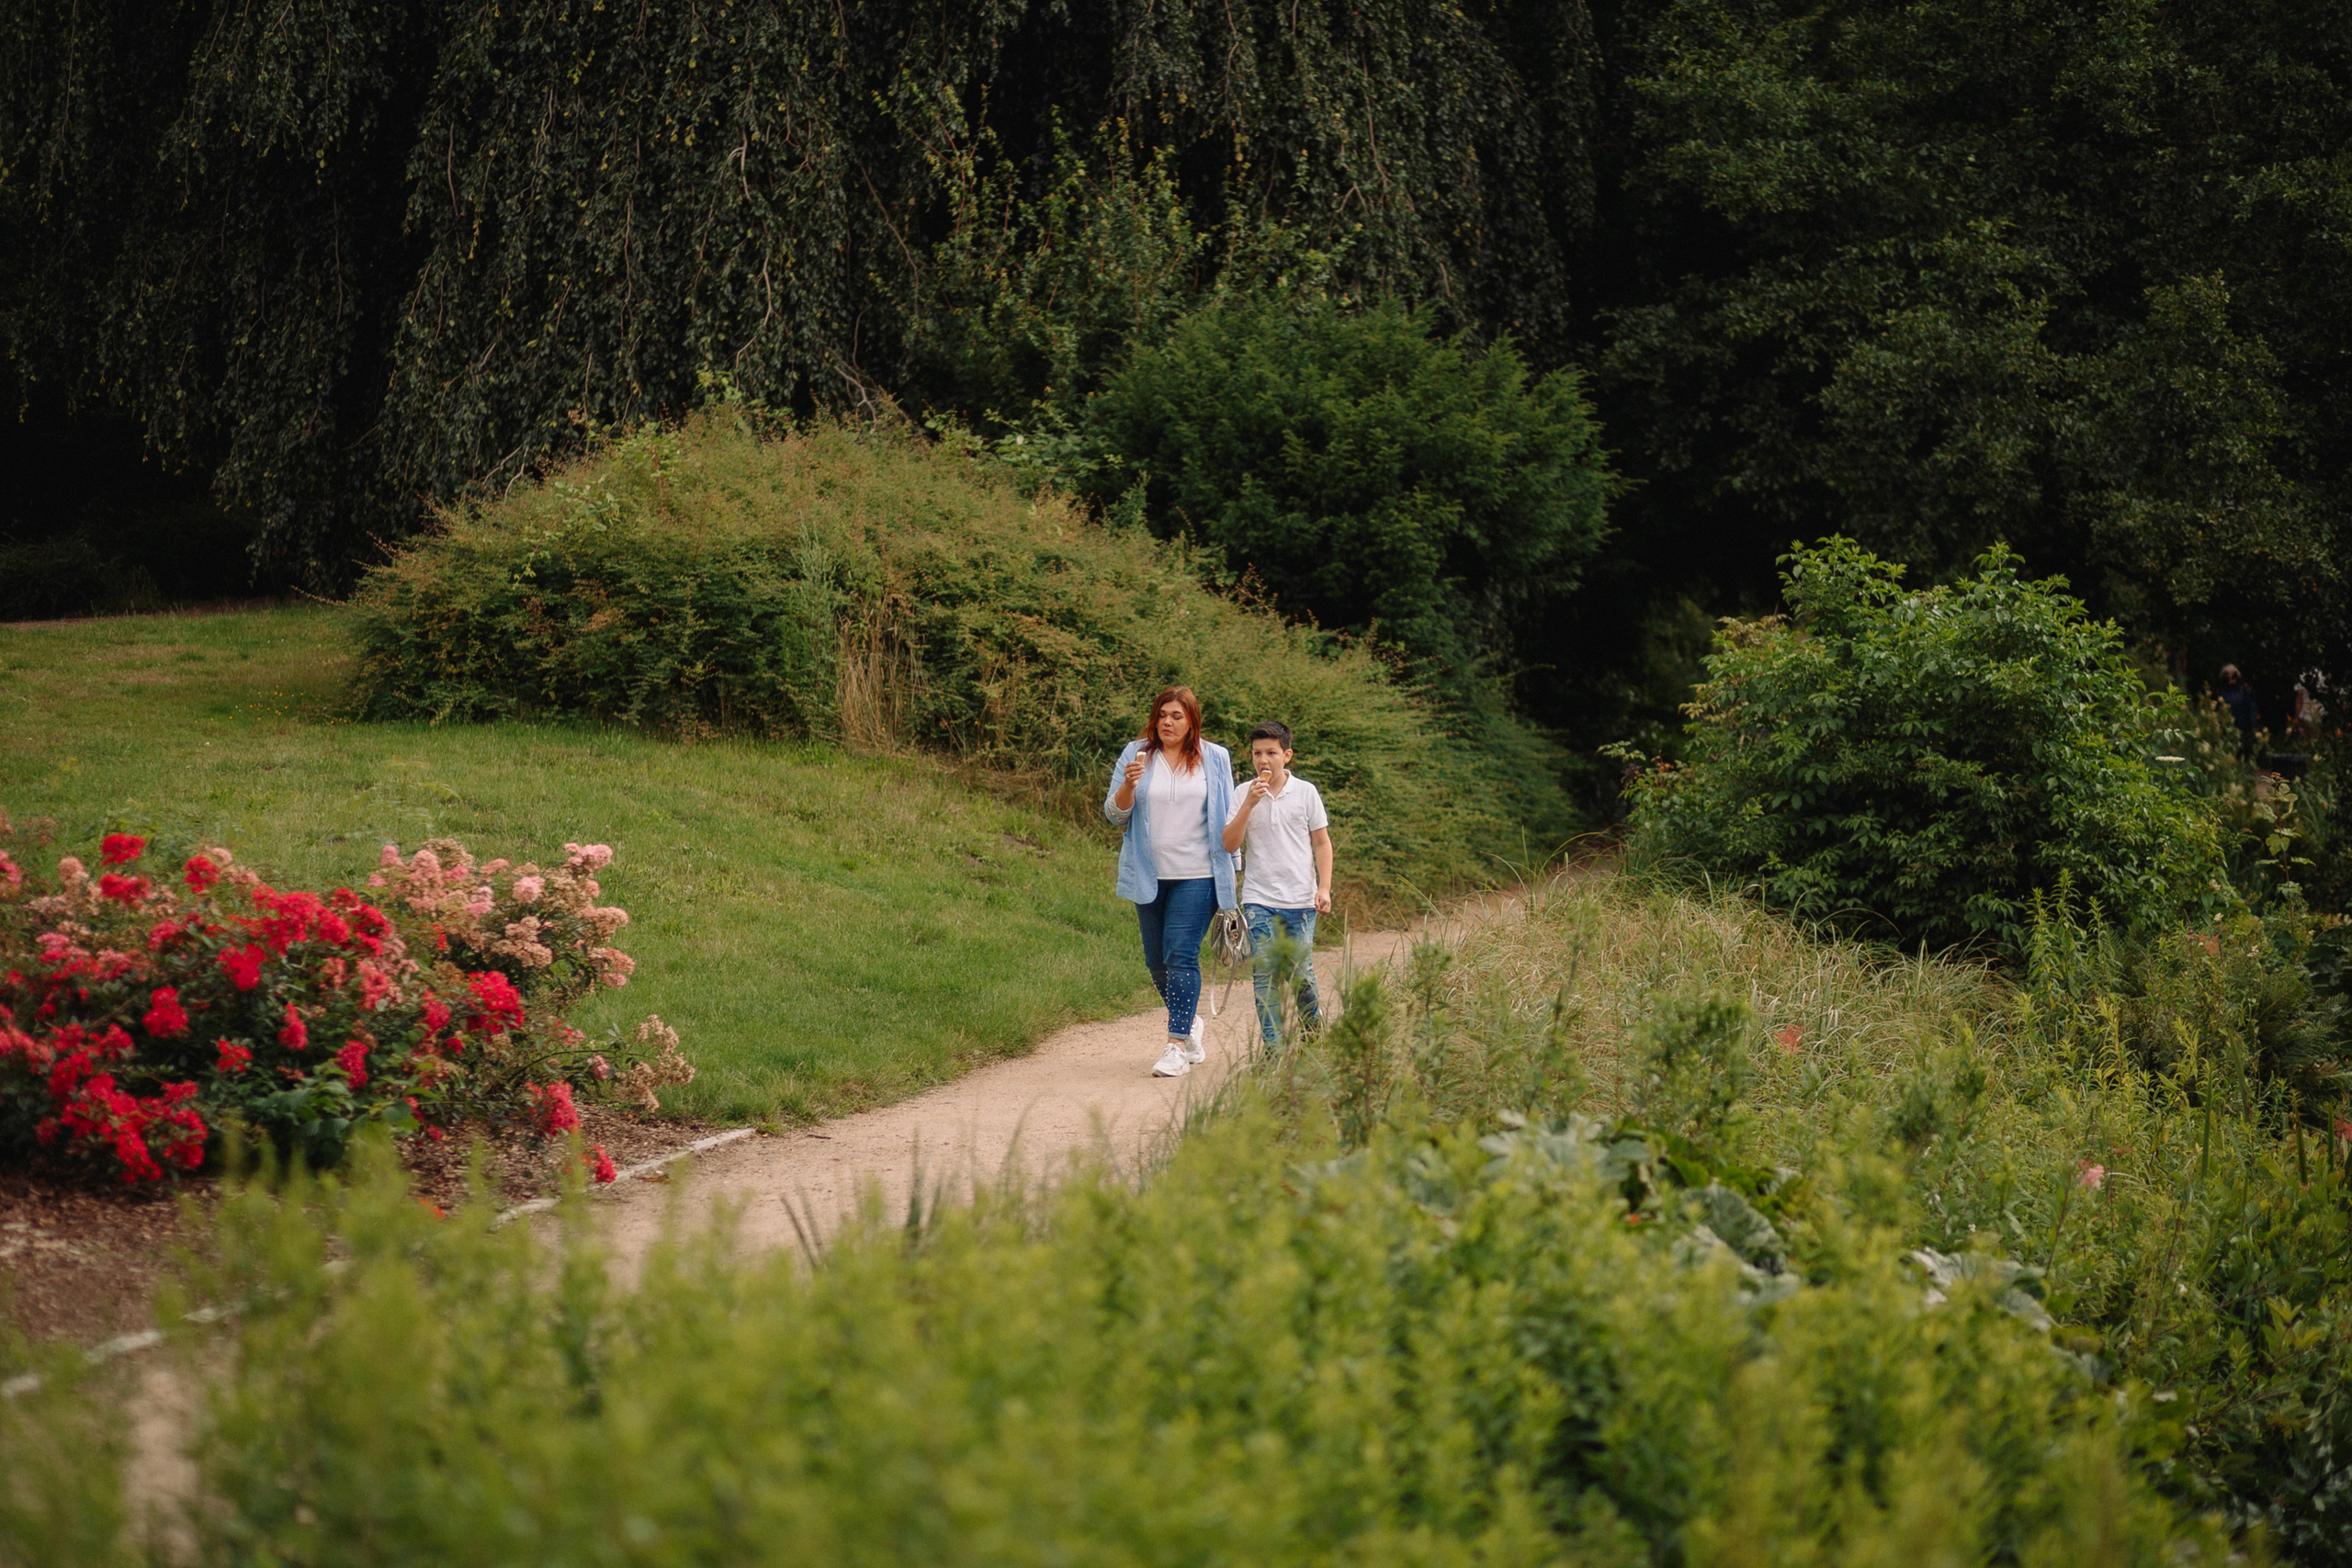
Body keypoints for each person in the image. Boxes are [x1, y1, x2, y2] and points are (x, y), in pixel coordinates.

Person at [1103, 686, 1239, 1078]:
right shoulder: (1136, 754)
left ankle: (1176, 1045)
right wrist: (1129, 785)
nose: (1168, 722)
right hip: (1149, 873)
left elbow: (1228, 816)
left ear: (1192, 720)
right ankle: (1189, 1021)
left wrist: (1233, 871)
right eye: (1162, 714)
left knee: (1180, 953)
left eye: (1177, 715)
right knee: (1156, 961)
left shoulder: (1216, 758)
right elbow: (1114, 815)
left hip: (1198, 874)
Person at [1220, 719, 1331, 1050]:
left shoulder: (1306, 793)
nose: (1263, 760)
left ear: (1287, 755)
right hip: (1259, 899)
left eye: (1271, 752)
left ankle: (1313, 1035)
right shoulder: (1243, 793)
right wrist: (1249, 804)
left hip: (1300, 900)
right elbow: (1229, 844)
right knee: (1264, 974)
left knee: (1300, 973)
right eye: (1257, 753)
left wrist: (1323, 888)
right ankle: (1274, 1047)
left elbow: (1322, 843)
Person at [2220, 664, 2261, 755]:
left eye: (2233, 677)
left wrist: (2253, 725)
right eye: (2227, 678)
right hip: (2229, 728)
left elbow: (2252, 707)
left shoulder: (2245, 689)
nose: (2231, 680)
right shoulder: (2222, 692)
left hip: (2244, 728)